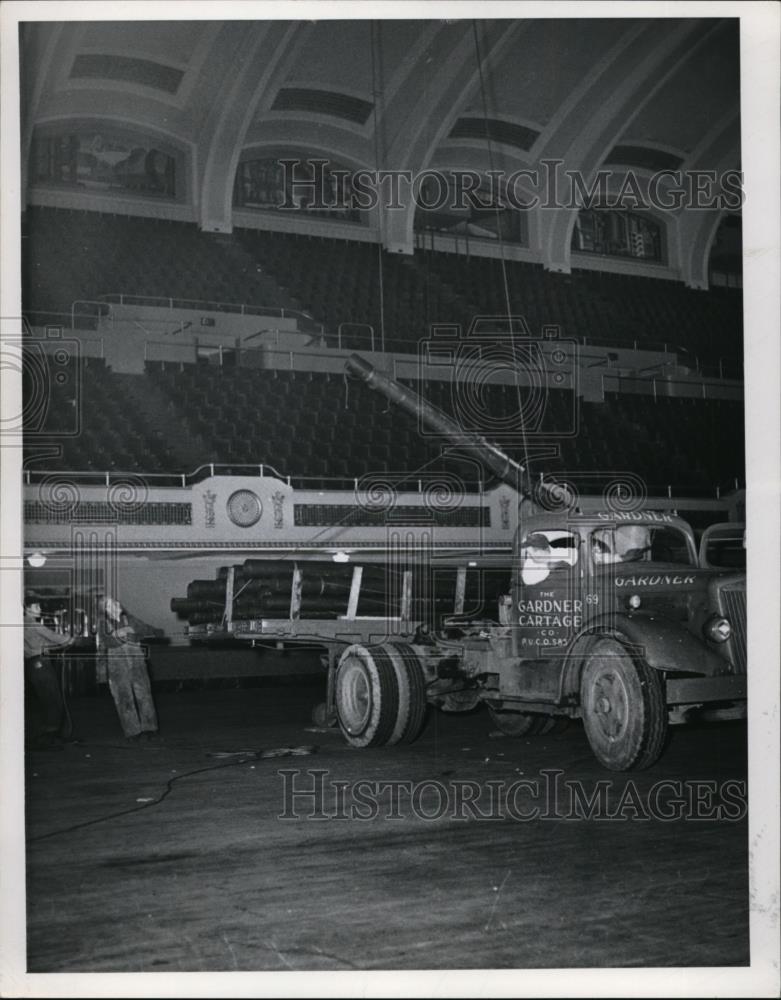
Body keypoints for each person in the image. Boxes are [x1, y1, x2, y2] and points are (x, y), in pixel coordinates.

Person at [97, 595, 161, 740]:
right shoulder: (103, 624)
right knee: (123, 697)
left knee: (144, 692)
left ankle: (150, 728)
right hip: (117, 665)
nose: (117, 604)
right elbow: (108, 642)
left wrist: (156, 632)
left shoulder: (129, 619)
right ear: (105, 609)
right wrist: (124, 635)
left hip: (137, 662)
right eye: (111, 604)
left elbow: (146, 629)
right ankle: (132, 731)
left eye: (116, 602)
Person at [23, 598, 73, 747]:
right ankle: (50, 735)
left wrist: (61, 643)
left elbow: (44, 643)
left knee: (46, 697)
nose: (40, 608)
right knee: (52, 698)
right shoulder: (34, 624)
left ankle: (51, 734)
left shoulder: (24, 624)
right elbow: (55, 637)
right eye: (37, 606)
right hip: (40, 663)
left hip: (33, 663)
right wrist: (69, 639)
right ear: (28, 608)